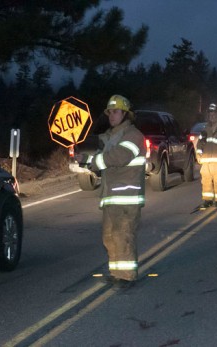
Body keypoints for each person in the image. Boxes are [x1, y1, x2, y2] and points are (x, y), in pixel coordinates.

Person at [83, 95, 146, 286]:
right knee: (109, 236)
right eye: (109, 112)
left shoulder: (134, 136)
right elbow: (96, 148)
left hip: (127, 196)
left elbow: (118, 157)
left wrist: (93, 162)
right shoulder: (109, 136)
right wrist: (82, 156)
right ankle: (117, 272)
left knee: (123, 235)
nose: (111, 115)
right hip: (111, 196)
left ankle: (127, 276)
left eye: (116, 111)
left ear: (126, 114)